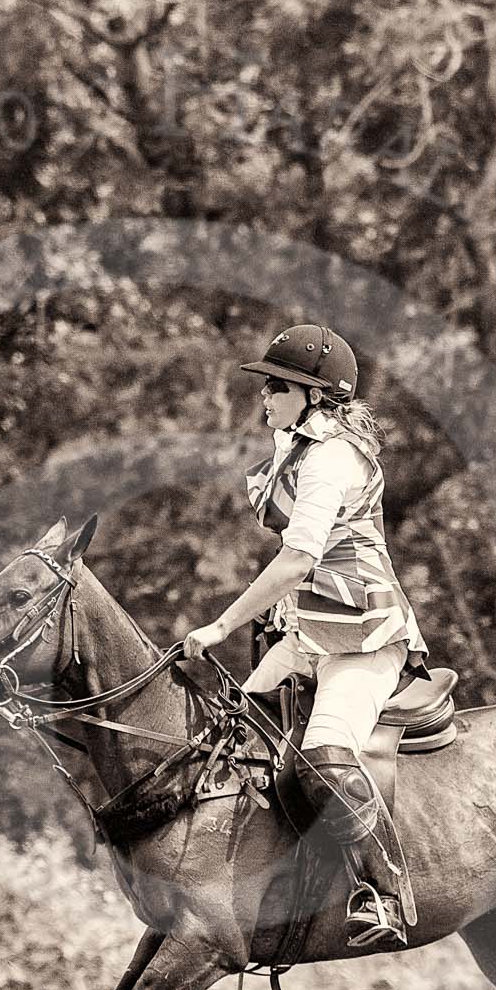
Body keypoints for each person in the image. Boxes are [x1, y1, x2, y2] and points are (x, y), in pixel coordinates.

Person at [182, 324, 428, 951]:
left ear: (311, 396)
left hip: (367, 637)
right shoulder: (296, 451)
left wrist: (222, 624)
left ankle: (387, 894)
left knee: (321, 755)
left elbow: (296, 561)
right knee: (224, 725)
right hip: (313, 632)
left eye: (275, 386)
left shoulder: (332, 459)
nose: (264, 396)